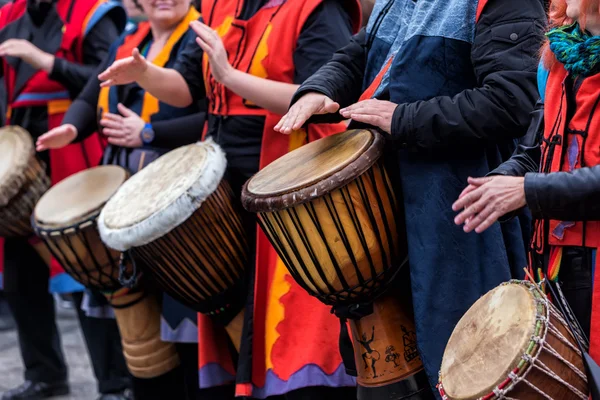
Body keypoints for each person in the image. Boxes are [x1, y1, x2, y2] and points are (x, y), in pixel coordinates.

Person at [93, 0, 362, 398]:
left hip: (288, 185)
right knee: (234, 324)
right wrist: (145, 73)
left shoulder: (317, 8)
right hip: (223, 185)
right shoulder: (220, 3)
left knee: (287, 330)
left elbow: (326, 98)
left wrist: (230, 75)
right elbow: (187, 88)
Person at [276, 0, 546, 394]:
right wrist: (320, 88)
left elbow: (511, 102)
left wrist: (402, 118)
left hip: (458, 212)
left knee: (465, 368)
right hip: (383, 206)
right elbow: (362, 50)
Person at [36, 0, 213, 399]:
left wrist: (150, 134)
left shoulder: (201, 36)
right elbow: (88, 94)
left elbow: (215, 114)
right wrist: (70, 127)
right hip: (125, 196)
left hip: (178, 201)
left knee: (182, 323)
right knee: (142, 332)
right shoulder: (130, 39)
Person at [452, 0, 600, 370]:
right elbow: (536, 150)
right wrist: (497, 183)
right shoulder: (560, 57)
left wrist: (526, 191)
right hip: (555, 264)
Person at [0, 1, 130, 399]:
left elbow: (105, 82)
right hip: (20, 154)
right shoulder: (9, 17)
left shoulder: (94, 12)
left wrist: (46, 62)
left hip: (72, 149)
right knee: (21, 276)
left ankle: (115, 383)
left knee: (85, 271)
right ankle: (44, 373)